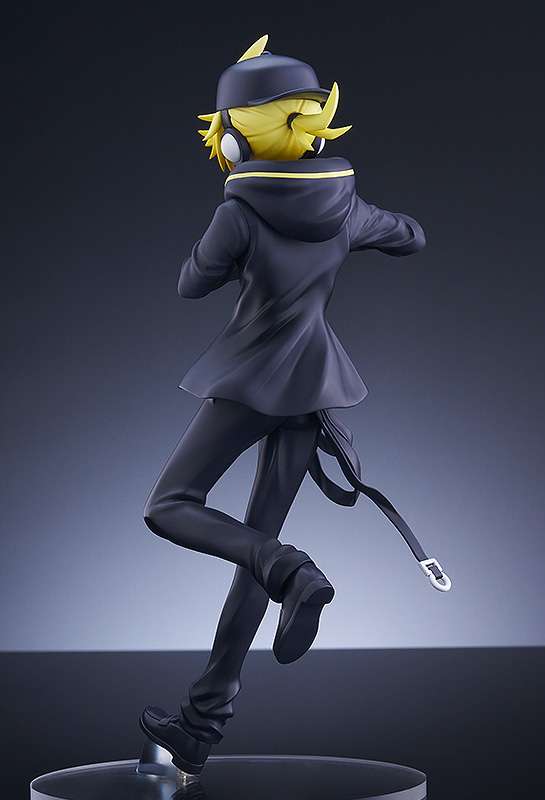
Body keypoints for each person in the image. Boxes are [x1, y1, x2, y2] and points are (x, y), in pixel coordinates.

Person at [139, 34, 426, 775]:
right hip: (314, 389)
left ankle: (292, 570)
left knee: (170, 506)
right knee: (254, 553)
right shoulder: (347, 204)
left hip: (251, 380)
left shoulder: (239, 212)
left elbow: (191, 283)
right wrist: (360, 228)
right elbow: (411, 236)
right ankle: (201, 725)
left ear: (236, 136)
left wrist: (230, 233)